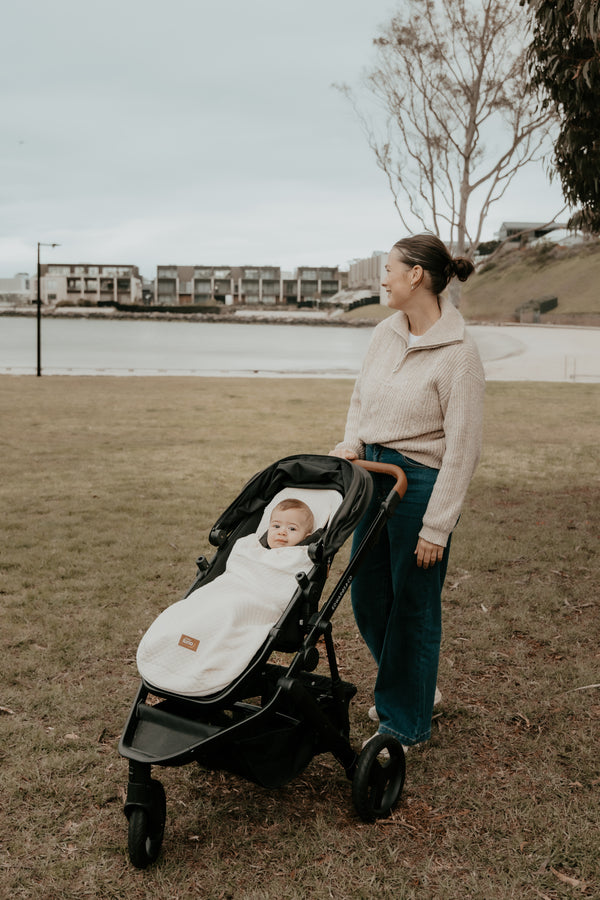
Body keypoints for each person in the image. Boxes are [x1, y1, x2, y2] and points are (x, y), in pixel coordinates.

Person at [330, 233, 485, 749]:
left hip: (418, 485)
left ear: (415, 274)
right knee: (370, 599)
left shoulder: (459, 354)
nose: (384, 279)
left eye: (390, 269)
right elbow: (360, 397)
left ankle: (406, 721)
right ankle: (415, 688)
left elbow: (462, 448)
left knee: (413, 607)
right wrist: (351, 444)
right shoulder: (385, 333)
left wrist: (437, 527)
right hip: (373, 474)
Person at [136, 498, 316, 696]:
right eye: (276, 526)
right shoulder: (251, 548)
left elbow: (279, 590)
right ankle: (177, 647)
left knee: (230, 610)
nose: (282, 532)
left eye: (292, 529)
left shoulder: (299, 556)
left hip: (257, 600)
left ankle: (207, 660)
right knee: (198, 604)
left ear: (306, 536)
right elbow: (233, 573)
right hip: (230, 588)